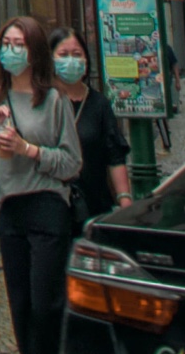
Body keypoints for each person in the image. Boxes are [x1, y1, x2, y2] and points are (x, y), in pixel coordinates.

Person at [0, 17, 81, 354]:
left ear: (34, 51)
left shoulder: (53, 99)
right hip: (10, 206)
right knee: (20, 305)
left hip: (47, 204)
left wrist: (29, 150)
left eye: (19, 44)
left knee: (45, 304)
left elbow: (72, 163)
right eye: (6, 43)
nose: (11, 51)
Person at [47, 27, 130, 219]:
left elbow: (115, 156)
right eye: (63, 55)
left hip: (94, 206)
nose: (71, 60)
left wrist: (124, 199)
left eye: (77, 54)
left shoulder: (99, 104)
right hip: (51, 208)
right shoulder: (42, 103)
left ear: (86, 59)